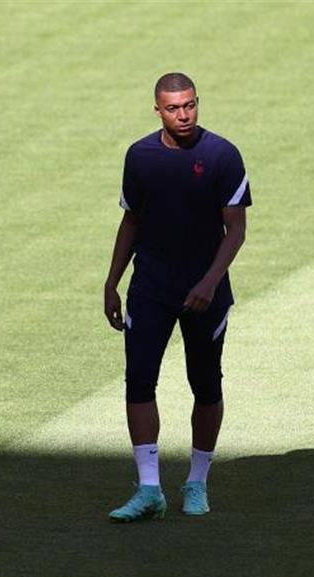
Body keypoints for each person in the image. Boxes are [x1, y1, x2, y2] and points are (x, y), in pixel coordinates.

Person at [103, 72, 252, 522]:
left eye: (189, 105)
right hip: (150, 287)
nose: (183, 115)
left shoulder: (222, 155)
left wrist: (209, 281)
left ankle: (196, 483)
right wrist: (112, 282)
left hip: (205, 291)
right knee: (138, 381)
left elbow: (237, 229)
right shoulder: (140, 156)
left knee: (205, 385)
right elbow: (131, 222)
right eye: (173, 108)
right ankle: (149, 489)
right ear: (158, 110)